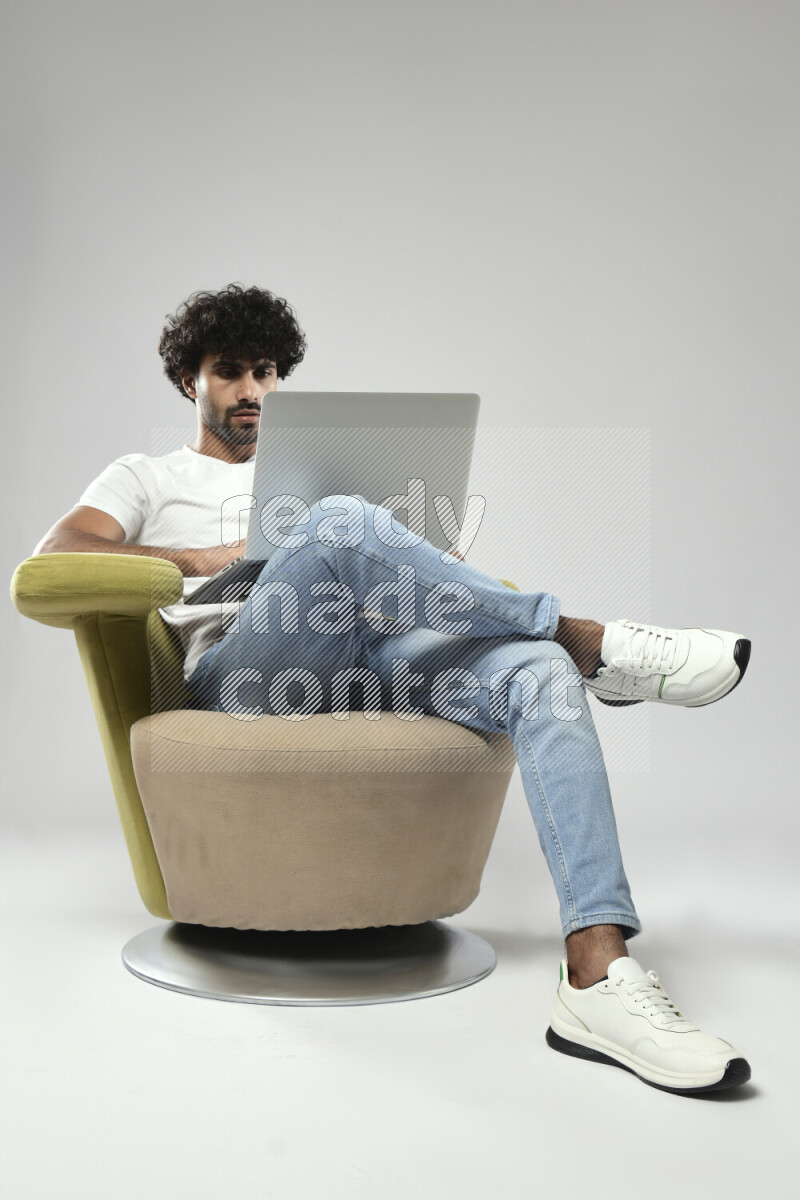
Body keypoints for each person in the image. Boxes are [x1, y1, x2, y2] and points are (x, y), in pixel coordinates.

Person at [34, 283, 753, 1095]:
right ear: (188, 381)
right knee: (340, 523)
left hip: (364, 658)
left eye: (267, 371)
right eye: (229, 370)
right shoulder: (147, 476)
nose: (251, 390)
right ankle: (588, 639)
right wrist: (212, 556)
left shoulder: (308, 469)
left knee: (536, 675)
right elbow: (57, 552)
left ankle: (596, 974)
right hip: (242, 673)